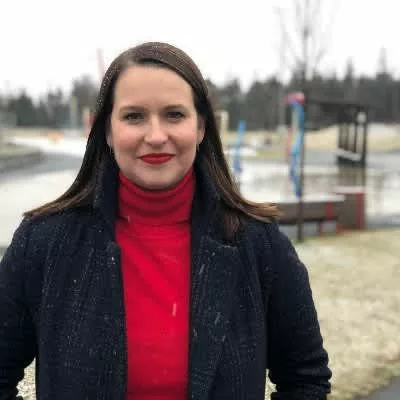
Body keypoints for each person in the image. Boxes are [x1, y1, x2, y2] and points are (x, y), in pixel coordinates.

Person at [0, 42, 331, 400]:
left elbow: (306, 379)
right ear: (107, 131)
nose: (156, 136)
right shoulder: (43, 243)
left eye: (174, 115)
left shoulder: (259, 245)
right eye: (134, 116)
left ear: (201, 127)